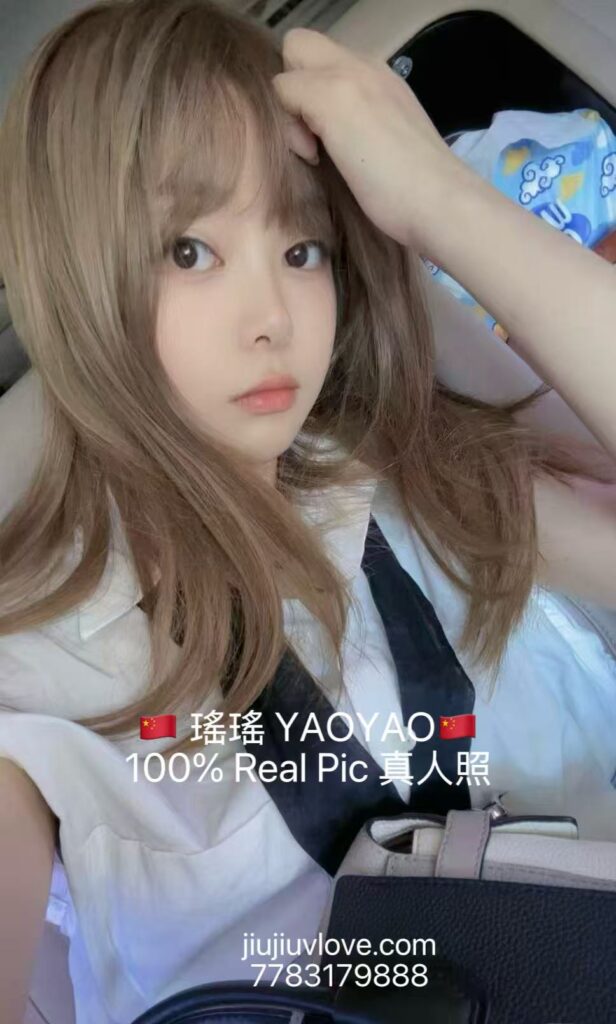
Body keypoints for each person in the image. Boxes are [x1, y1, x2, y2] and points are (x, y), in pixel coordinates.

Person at [0, 1, 615, 1021]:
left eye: (303, 249)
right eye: (188, 251)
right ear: (76, 275)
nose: (273, 320)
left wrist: (439, 201)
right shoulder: (41, 664)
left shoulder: (406, 478)